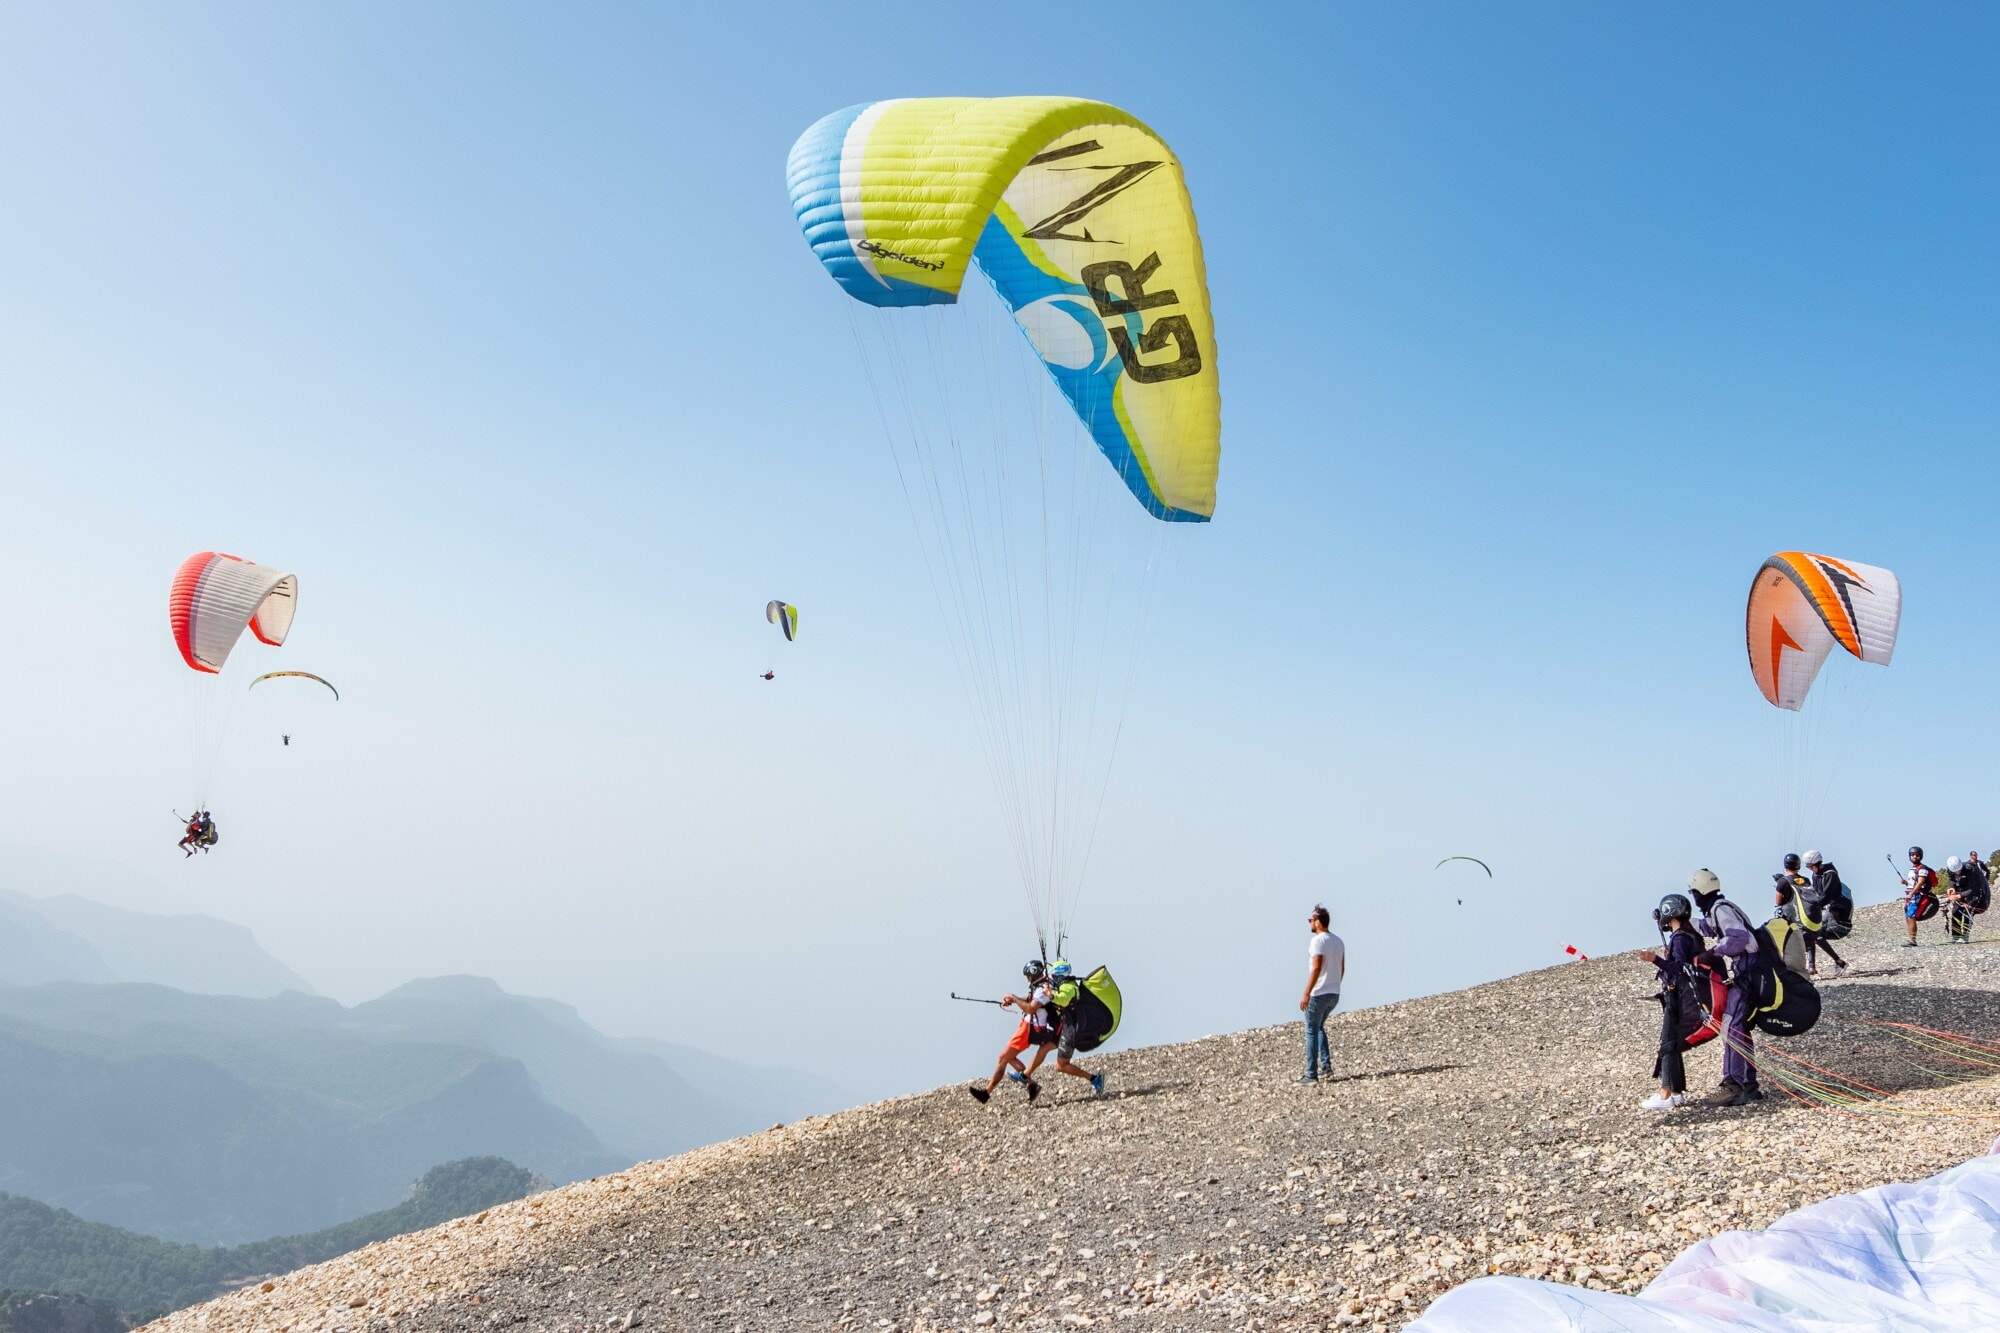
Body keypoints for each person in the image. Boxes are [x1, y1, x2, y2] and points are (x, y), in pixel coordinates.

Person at [1688, 869, 1767, 1108]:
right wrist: (1680, 920)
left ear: (1699, 892)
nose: (1694, 898)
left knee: (1731, 1027)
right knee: (1735, 1026)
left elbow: (1737, 938)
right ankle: (1746, 1083)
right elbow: (1707, 928)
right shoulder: (1717, 909)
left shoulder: (1721, 909)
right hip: (1747, 972)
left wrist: (1713, 953)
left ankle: (1737, 1085)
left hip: (1749, 973)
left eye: (1693, 893)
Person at [1639, 892, 1709, 1110]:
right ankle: (1676, 1093)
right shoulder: (1690, 936)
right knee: (1671, 1044)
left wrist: (1656, 960)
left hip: (1682, 999)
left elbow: (1679, 969)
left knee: (1669, 1044)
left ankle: (1666, 1094)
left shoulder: (1680, 938)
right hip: (1684, 996)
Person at [968, 960, 1054, 1105]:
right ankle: (1031, 1085)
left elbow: (1030, 1008)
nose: (1027, 979)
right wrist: (1014, 1000)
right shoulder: (1040, 986)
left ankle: (986, 1093)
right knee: (1008, 1057)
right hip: (1026, 1026)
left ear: (1033, 973)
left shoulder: (1042, 990)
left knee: (1003, 1057)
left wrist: (1014, 997)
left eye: (1028, 976)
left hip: (1028, 1029)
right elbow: (1029, 1000)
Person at [1041, 960, 1108, 1096]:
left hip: (1070, 1030)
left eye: (1054, 977)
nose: (1053, 980)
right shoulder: (1066, 985)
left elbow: (1064, 999)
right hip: (1065, 1026)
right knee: (1046, 1049)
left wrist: (1050, 995)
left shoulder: (1068, 987)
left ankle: (1095, 1079)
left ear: (1060, 976)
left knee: (1062, 1065)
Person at [1300, 905, 1344, 1084]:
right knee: (1318, 1028)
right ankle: (1326, 1066)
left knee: (1311, 1030)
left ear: (1318, 922)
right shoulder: (1338, 941)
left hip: (1319, 992)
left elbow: (1316, 968)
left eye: (1311, 920)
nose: (1309, 923)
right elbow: (1341, 967)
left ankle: (1311, 1074)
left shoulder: (1318, 941)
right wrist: (1334, 984)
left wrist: (1306, 993)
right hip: (1334, 992)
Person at [1795, 851, 1850, 977]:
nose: (1810, 870)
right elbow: (1816, 895)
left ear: (1818, 864)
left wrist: (1813, 907)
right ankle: (1812, 968)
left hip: (1838, 915)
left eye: (1811, 867)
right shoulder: (1816, 876)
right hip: (1826, 912)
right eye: (1808, 867)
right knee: (1810, 932)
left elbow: (1826, 896)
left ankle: (1838, 962)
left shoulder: (1831, 875)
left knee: (1815, 933)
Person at [1901, 846, 1939, 947]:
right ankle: (1911, 939)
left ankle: (1912, 941)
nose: (1914, 857)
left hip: (1916, 896)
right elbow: (1914, 883)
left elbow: (1920, 882)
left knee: (1911, 916)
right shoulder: (1913, 869)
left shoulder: (1922, 869)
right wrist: (1906, 883)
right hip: (1911, 895)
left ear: (1920, 856)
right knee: (1908, 917)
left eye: (1916, 855)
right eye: (1912, 855)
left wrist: (1911, 894)